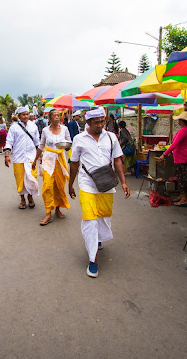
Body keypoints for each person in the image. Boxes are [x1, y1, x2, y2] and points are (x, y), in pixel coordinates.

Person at [69, 107, 130, 278]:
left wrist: (124, 182)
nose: (101, 125)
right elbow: (74, 163)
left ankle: (98, 238)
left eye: (102, 121)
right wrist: (70, 185)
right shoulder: (79, 139)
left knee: (104, 215)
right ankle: (93, 259)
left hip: (106, 183)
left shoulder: (111, 137)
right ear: (87, 122)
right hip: (87, 183)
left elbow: (117, 160)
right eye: (97, 123)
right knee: (90, 219)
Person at [32, 109, 71, 225]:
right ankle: (48, 212)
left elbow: (69, 143)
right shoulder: (45, 130)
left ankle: (57, 209)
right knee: (47, 186)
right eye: (54, 116)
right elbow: (41, 145)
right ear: (49, 118)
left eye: (58, 115)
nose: (57, 117)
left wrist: (67, 147)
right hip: (48, 160)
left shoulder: (65, 129)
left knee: (59, 186)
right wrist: (35, 160)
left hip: (60, 160)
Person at [4, 106, 40, 209]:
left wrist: (40, 155)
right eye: (23, 114)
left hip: (31, 158)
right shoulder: (13, 128)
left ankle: (30, 197)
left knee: (32, 178)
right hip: (18, 158)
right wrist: (7, 155)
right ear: (19, 116)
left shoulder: (33, 127)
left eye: (27, 114)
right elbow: (9, 142)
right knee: (20, 179)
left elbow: (37, 142)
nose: (26, 116)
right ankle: (22, 199)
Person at [158, 111, 187, 206]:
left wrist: (164, 154)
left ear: (182, 120)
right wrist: (170, 151)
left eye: (179, 119)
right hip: (181, 156)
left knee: (182, 178)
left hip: (182, 157)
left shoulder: (184, 131)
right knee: (180, 177)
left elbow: (175, 144)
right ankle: (181, 195)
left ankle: (184, 198)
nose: (178, 120)